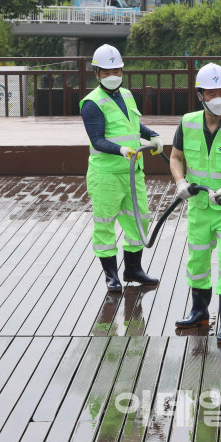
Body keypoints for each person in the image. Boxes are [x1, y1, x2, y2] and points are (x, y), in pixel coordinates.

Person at [170, 63, 221, 344]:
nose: (218, 96)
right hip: (199, 207)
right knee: (198, 260)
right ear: (200, 94)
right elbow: (175, 157)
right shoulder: (188, 122)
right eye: (212, 91)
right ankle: (199, 311)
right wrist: (181, 182)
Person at [80, 44, 163, 293]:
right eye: (106, 72)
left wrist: (153, 135)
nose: (113, 75)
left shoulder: (127, 94)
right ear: (97, 73)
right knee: (105, 223)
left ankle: (133, 269)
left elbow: (134, 127)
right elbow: (97, 140)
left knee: (139, 220)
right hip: (106, 175)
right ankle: (111, 275)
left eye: (117, 70)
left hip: (133, 171)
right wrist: (120, 150)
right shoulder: (92, 103)